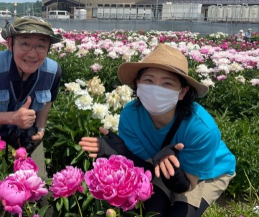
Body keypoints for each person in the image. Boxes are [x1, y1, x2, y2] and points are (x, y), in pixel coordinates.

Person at [79, 44, 236, 217]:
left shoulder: (202, 129)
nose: (156, 89)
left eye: (167, 83)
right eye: (148, 80)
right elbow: (147, 165)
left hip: (206, 174)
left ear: (182, 92)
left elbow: (188, 185)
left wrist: (173, 174)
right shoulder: (130, 115)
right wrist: (121, 152)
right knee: (152, 211)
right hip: (160, 165)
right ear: (138, 84)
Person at [0, 16, 63, 181]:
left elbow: (47, 102)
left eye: (41, 46)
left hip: (28, 135)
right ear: (10, 43)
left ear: (49, 48)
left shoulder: (53, 71)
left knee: (39, 184)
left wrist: (41, 129)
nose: (32, 53)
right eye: (25, 43)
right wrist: (13, 118)